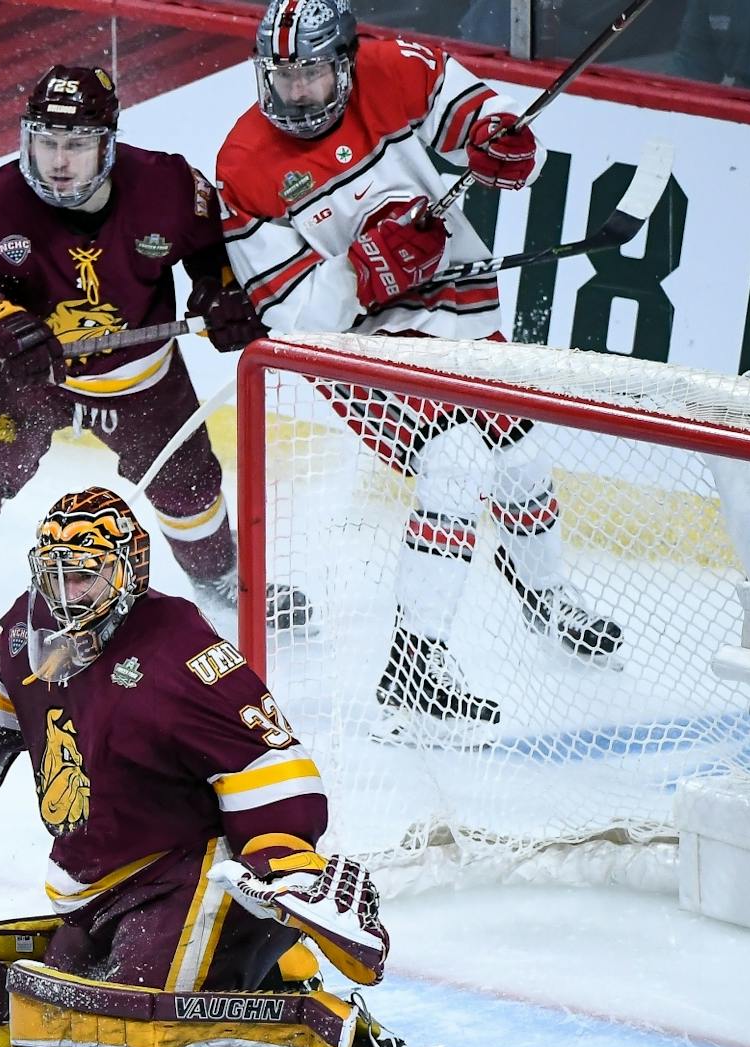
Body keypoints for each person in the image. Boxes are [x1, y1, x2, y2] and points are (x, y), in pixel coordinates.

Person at [0, 487, 438, 1047]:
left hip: (189, 872)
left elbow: (267, 760)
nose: (68, 593)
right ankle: (274, 969)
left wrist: (286, 862)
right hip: (96, 882)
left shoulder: (177, 650)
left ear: (128, 571)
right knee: (63, 999)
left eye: (86, 575)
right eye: (56, 574)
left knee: (135, 1020)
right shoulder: (26, 635)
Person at [0, 63, 297, 712]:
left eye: (75, 145)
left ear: (108, 144)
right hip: (24, 386)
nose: (58, 162)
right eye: (45, 142)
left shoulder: (168, 187)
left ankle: (220, 581)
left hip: (140, 379)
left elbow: (217, 253)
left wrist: (222, 294)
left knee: (191, 488)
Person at [216, 0, 620, 740]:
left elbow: (469, 113)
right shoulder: (243, 167)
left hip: (452, 296)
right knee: (455, 460)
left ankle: (548, 597)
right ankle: (416, 661)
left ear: (343, 61)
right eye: (280, 76)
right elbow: (296, 318)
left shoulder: (392, 67)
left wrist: (496, 140)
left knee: (521, 456)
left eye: (310, 73)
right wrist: (362, 272)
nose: (294, 92)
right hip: (362, 345)